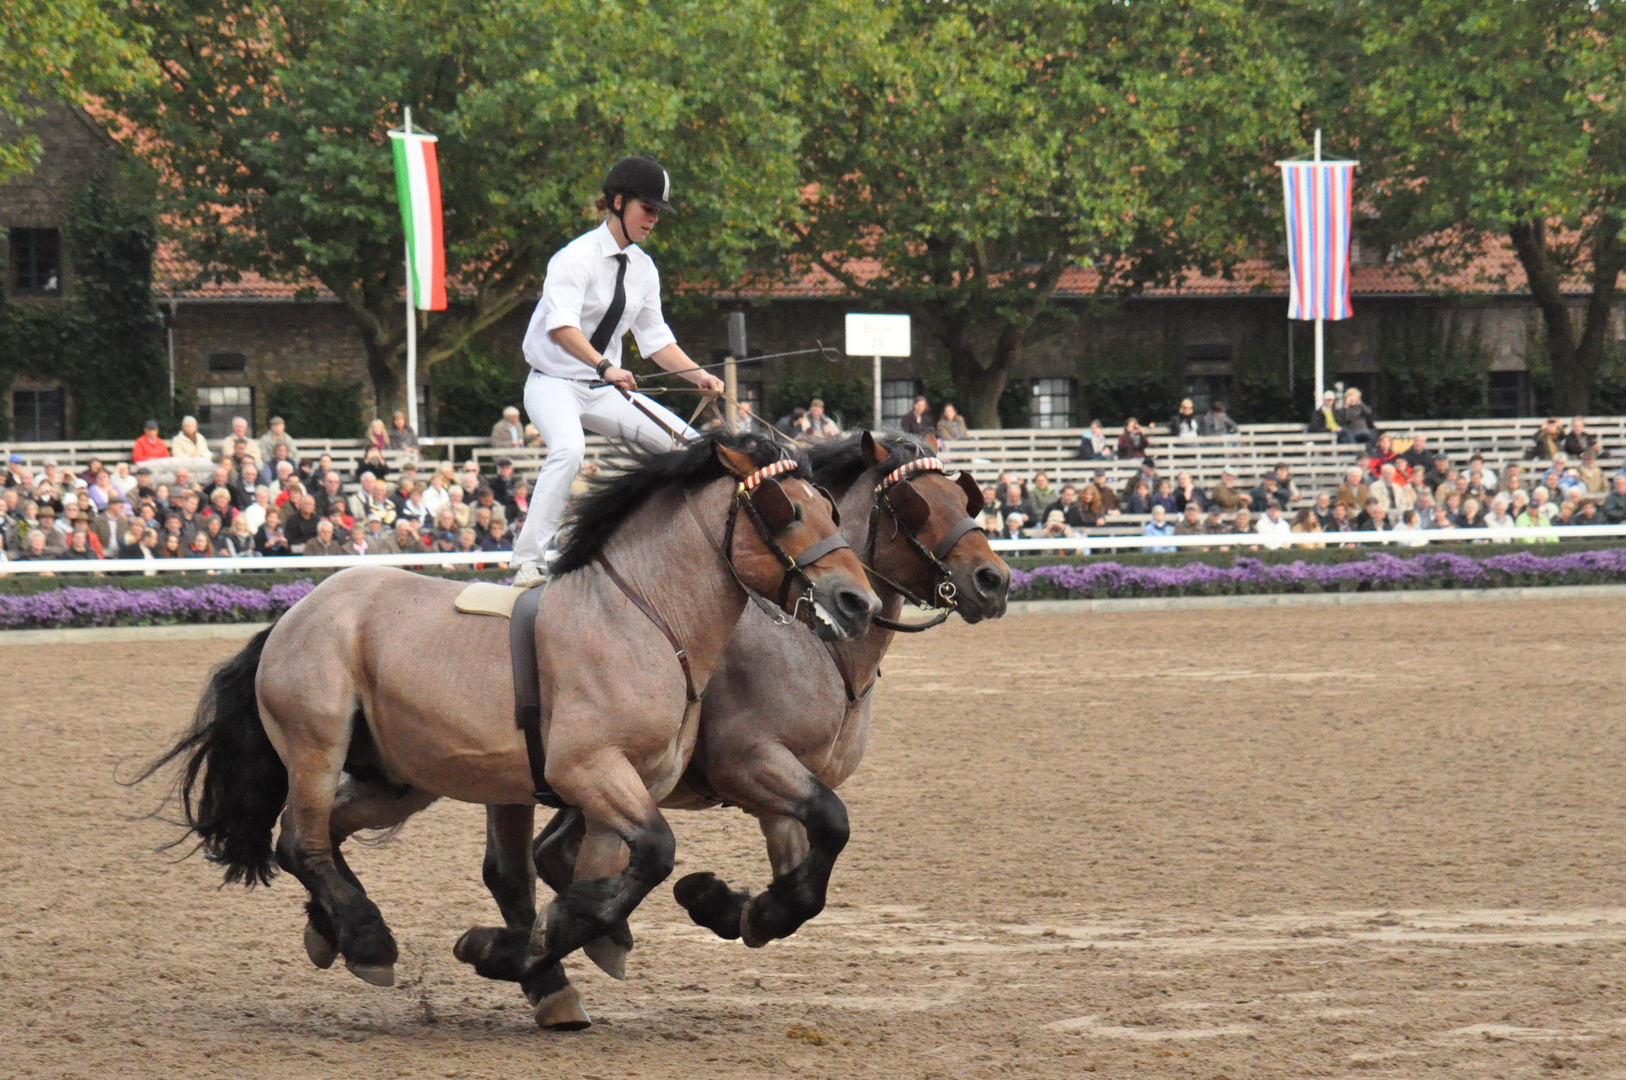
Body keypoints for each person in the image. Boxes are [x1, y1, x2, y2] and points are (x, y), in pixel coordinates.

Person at [508, 155, 723, 587]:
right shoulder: (575, 259)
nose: (654, 220)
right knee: (569, 449)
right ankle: (528, 560)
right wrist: (605, 365)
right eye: (648, 209)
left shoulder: (644, 269)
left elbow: (656, 341)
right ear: (618, 202)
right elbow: (562, 327)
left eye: (658, 213)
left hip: (605, 388)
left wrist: (696, 374)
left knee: (691, 445)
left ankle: (671, 554)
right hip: (553, 384)